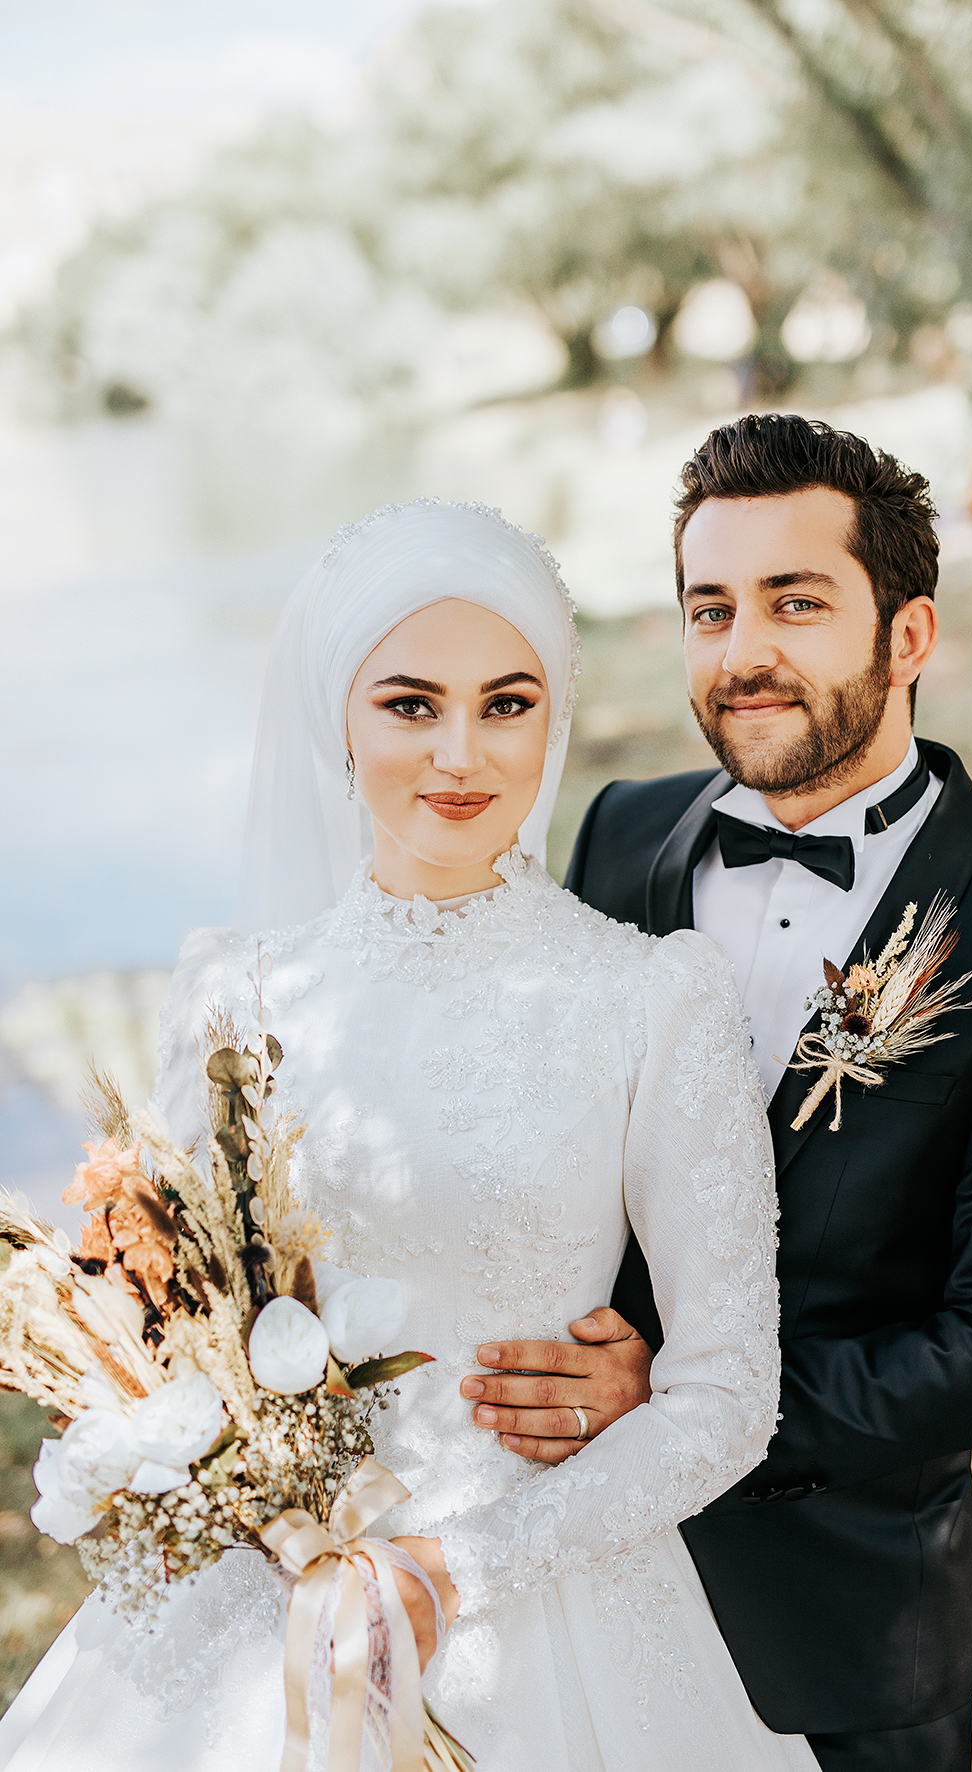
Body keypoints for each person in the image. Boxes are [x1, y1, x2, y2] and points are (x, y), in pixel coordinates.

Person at [0, 498, 820, 1772]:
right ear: (336, 713)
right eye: (408, 703)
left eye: (506, 703)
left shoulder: (653, 995)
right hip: (265, 1589)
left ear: (553, 716)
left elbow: (725, 1394)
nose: (461, 755)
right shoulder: (234, 993)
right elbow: (182, 1327)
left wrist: (450, 1570)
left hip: (547, 1600)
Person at [459, 418, 972, 1772]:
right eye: (709, 608)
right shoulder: (620, 834)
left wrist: (677, 1401)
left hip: (833, 1628)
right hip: (568, 1590)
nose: (742, 653)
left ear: (910, 636)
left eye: (797, 603)